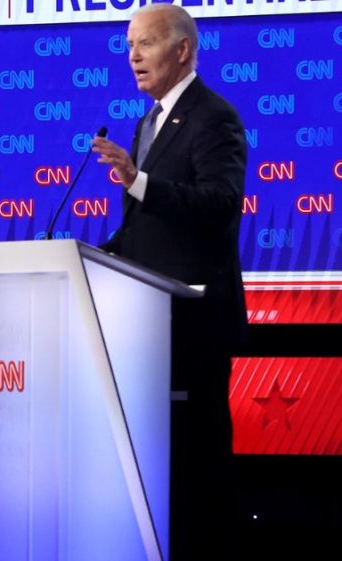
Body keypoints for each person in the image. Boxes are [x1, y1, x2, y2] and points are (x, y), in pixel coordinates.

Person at [91, 5, 247, 559]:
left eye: (146, 44)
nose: (133, 56)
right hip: (145, 329)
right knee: (157, 473)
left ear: (182, 49)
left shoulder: (213, 118)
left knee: (197, 470)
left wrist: (139, 180)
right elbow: (145, 229)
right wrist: (88, 255)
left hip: (194, 325)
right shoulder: (147, 122)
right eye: (129, 44)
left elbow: (220, 205)